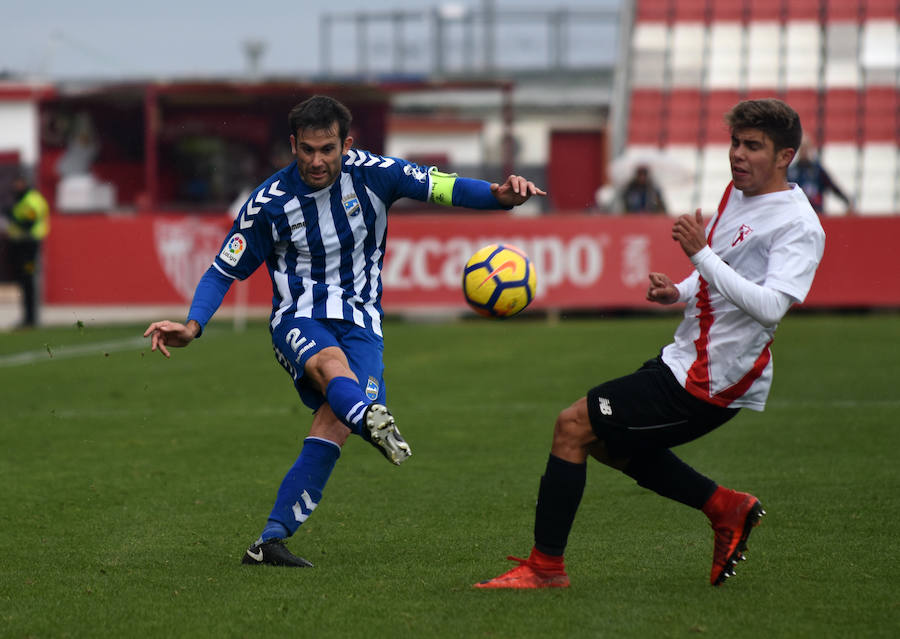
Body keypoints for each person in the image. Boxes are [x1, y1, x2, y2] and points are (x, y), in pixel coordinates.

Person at [143, 95, 545, 567]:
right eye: (308, 149)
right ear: (293, 146)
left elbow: (442, 187)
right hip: (299, 317)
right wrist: (193, 325)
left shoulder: (376, 174)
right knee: (334, 372)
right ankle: (371, 418)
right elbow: (221, 270)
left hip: (363, 325)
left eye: (328, 149)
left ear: (345, 144)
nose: (317, 160)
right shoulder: (268, 205)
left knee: (336, 420)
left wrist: (500, 197)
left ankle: (269, 541)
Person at [475, 98, 825, 589]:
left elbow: (771, 307)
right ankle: (726, 507)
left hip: (712, 378)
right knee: (602, 443)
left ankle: (545, 569)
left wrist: (699, 253)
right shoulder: (738, 194)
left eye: (753, 146)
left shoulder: (798, 225)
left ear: (786, 156)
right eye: (734, 143)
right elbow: (719, 274)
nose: (737, 155)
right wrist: (678, 290)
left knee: (572, 426)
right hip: (685, 357)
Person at [3, 172, 50, 328]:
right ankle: (27, 317)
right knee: (23, 280)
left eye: (19, 182)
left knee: (28, 278)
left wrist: (11, 217)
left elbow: (28, 223)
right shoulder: (20, 200)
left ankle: (31, 318)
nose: (16, 186)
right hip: (19, 245)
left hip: (29, 247)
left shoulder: (32, 201)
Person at [787, 139, 852, 215]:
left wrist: (846, 201)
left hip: (817, 213)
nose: (804, 152)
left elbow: (832, 186)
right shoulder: (791, 171)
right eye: (802, 149)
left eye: (806, 148)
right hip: (797, 213)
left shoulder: (817, 170)